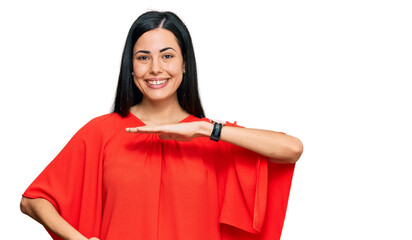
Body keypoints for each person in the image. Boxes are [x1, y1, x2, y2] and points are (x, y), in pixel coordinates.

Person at [20, 11, 302, 240]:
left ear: (184, 65)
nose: (155, 68)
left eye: (167, 56)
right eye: (143, 57)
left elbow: (292, 149)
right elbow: (33, 201)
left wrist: (205, 129)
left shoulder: (212, 137)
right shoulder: (102, 132)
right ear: (131, 68)